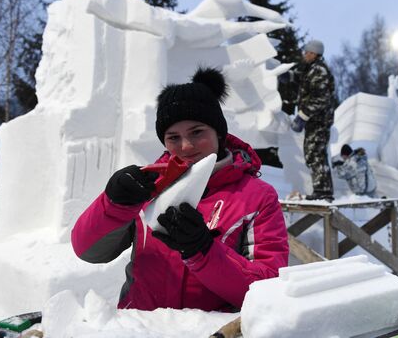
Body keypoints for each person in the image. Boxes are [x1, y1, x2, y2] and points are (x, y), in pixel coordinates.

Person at [71, 67, 289, 312]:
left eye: (197, 132)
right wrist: (113, 204)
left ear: (219, 133)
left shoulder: (257, 197)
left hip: (209, 330)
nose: (186, 146)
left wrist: (203, 251)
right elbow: (87, 251)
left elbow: (268, 289)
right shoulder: (148, 186)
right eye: (173, 137)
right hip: (138, 327)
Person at [290, 39, 337, 201]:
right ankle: (323, 189)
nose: (304, 55)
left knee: (315, 153)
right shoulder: (312, 70)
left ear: (314, 54)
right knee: (314, 153)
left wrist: (302, 116)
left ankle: (323, 191)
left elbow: (320, 98)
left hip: (319, 121)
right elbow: (301, 79)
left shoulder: (319, 71)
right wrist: (288, 76)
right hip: (315, 121)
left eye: (307, 52)